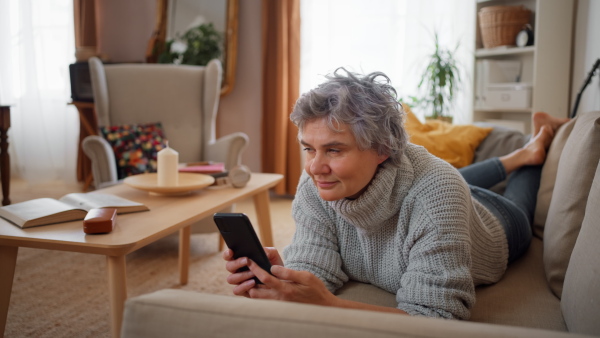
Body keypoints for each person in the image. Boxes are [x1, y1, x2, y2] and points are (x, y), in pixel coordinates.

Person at [222, 68, 570, 320]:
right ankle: (519, 154)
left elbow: (435, 320)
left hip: (498, 223)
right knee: (454, 180)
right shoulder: (318, 180)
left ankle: (534, 149)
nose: (314, 167)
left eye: (334, 150)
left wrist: (325, 306)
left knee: (512, 202)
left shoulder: (438, 192)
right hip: (444, 189)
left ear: (382, 149)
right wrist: (286, 280)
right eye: (309, 149)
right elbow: (315, 265)